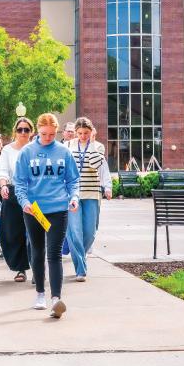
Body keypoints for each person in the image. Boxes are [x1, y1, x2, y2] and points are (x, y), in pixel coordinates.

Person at [14, 113, 79, 318]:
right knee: (38, 251)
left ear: (57, 131)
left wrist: (74, 197)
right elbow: (20, 183)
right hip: (35, 210)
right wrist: (24, 203)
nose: (48, 138)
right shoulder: (27, 152)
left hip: (58, 209)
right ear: (37, 132)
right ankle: (40, 293)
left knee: (54, 253)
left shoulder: (64, 152)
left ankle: (56, 299)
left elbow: (72, 180)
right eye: (44, 134)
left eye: (52, 134)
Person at [65, 117, 112, 282]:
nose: (83, 136)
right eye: (80, 133)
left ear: (91, 132)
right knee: (75, 231)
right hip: (73, 195)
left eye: (86, 133)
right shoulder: (68, 146)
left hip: (92, 194)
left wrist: (91, 143)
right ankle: (81, 269)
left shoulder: (98, 146)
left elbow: (94, 163)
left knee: (90, 233)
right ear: (76, 133)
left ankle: (79, 256)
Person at [0, 118, 33, 282]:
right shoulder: (8, 150)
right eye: (20, 130)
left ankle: (38, 268)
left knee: (35, 233)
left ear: (31, 132)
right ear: (15, 131)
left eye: (26, 130)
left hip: (35, 194)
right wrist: (3, 185)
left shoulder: (37, 148)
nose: (23, 133)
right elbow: (2, 171)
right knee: (13, 232)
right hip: (13, 193)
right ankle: (21, 268)